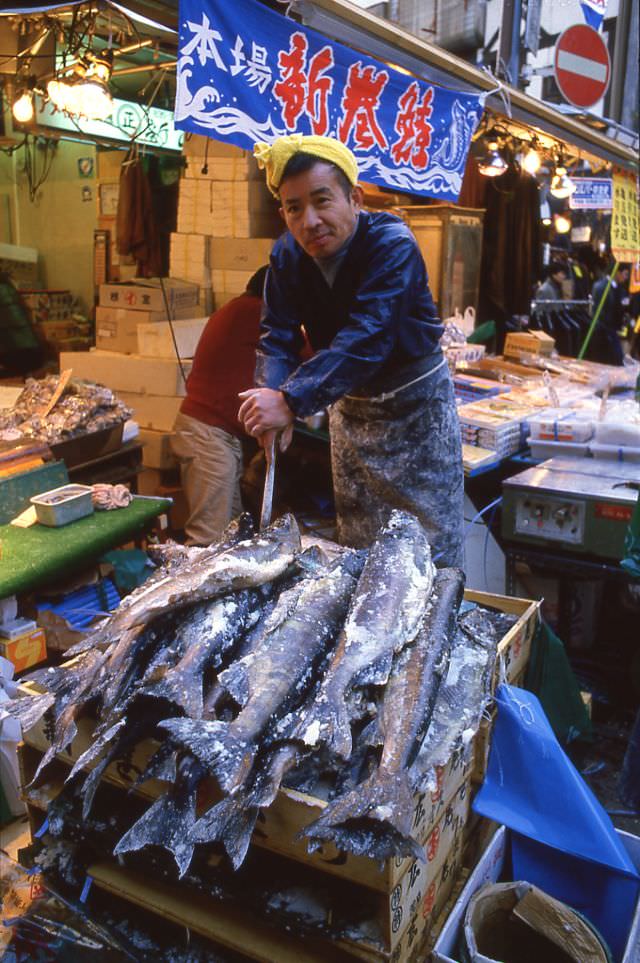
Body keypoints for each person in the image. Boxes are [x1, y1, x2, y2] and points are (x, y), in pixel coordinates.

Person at [238, 135, 463, 566]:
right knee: (358, 545)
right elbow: (278, 336)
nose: (310, 221)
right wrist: (269, 401)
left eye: (322, 200)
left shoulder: (393, 243)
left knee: (427, 553)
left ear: (354, 198)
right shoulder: (286, 256)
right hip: (352, 410)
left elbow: (369, 335)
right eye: (294, 208)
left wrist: (291, 399)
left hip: (415, 411)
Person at [170, 266, 268, 545]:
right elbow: (307, 350)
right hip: (208, 436)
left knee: (231, 536)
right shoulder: (252, 312)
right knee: (210, 540)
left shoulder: (236, 308)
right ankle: (189, 589)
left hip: (214, 434)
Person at [589, 261, 630, 366]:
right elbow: (600, 313)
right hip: (603, 333)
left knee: (616, 361)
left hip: (612, 331)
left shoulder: (619, 288)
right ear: (617, 272)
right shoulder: (601, 287)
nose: (626, 277)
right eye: (625, 274)